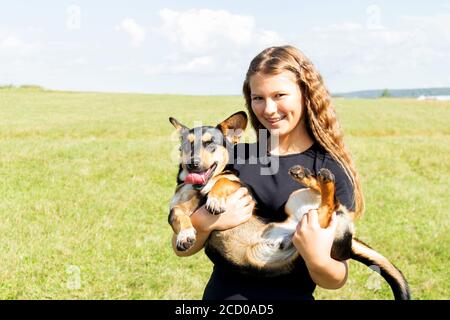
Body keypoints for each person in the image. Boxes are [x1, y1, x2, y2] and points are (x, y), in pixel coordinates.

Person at [171, 45, 365, 300]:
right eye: (258, 98)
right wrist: (206, 221)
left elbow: (336, 279)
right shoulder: (229, 158)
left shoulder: (328, 170)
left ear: (305, 94)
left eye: (280, 95)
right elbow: (182, 248)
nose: (269, 109)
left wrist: (316, 257)